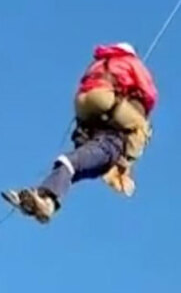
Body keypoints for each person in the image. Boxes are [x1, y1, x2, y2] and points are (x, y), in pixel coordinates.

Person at [1, 42, 158, 224]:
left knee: (75, 165)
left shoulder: (99, 62)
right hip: (104, 102)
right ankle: (125, 163)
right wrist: (139, 104)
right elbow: (150, 93)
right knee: (142, 126)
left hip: (83, 105)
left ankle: (46, 198)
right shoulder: (130, 61)